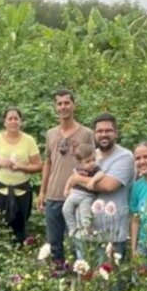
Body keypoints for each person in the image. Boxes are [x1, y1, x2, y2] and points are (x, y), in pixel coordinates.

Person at [64, 113, 134, 261]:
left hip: (110, 235)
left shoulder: (125, 157)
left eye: (108, 130)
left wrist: (77, 179)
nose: (103, 134)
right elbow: (73, 181)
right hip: (84, 233)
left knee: (109, 281)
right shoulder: (91, 155)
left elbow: (108, 185)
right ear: (94, 134)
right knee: (84, 280)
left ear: (116, 133)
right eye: (99, 131)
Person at [37, 89, 94, 262]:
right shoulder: (51, 134)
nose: (63, 107)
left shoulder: (86, 134)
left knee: (77, 243)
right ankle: (58, 278)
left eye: (67, 103)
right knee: (55, 243)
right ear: (55, 107)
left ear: (74, 105)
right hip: (53, 195)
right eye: (59, 103)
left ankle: (78, 281)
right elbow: (48, 162)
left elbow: (93, 163)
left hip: (77, 195)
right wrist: (42, 192)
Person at [0, 107, 42, 244]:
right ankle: (2, 252)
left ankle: (20, 253)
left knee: (20, 227)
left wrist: (21, 166)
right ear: (5, 122)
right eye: (10, 119)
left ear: (21, 121)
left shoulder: (29, 140)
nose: (13, 121)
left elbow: (38, 165)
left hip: (22, 191)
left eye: (16, 118)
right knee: (0, 225)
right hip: (1, 190)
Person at [61, 143, 102, 257]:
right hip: (75, 194)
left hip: (87, 196)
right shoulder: (78, 169)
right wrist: (67, 188)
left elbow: (101, 174)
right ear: (80, 162)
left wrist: (93, 181)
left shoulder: (96, 169)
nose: (91, 163)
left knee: (85, 215)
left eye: (93, 160)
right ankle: (72, 229)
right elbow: (71, 178)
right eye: (88, 161)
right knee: (66, 210)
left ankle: (86, 230)